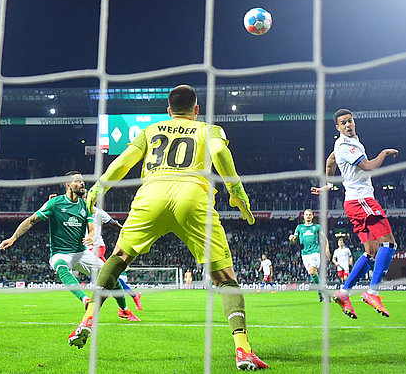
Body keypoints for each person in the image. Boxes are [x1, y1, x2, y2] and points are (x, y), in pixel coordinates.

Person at [68, 85, 268, 370]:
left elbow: (125, 161)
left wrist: (98, 187)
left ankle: (88, 318)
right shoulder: (208, 129)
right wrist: (236, 191)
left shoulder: (151, 130)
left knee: (119, 258)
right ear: (196, 110)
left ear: (168, 110)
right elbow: (220, 153)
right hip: (192, 196)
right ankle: (243, 348)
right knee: (225, 278)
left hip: (152, 195)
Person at [0, 171, 139, 322]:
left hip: (81, 252)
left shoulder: (85, 205)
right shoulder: (56, 203)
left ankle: (124, 310)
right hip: (60, 253)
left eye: (82, 181)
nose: (82, 183)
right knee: (61, 266)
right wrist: (13, 238)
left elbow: (91, 228)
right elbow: (32, 220)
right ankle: (85, 299)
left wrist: (91, 237)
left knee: (110, 274)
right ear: (68, 185)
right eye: (77, 181)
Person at [312, 108, 399, 319]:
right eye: (343, 123)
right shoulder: (346, 145)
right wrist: (384, 153)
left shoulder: (342, 145)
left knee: (371, 251)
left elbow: (330, 162)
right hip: (362, 200)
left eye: (350, 121)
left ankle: (344, 292)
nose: (348, 125)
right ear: (338, 127)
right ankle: (373, 292)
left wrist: (329, 186)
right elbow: (369, 167)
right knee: (389, 244)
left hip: (353, 202)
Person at [91, 205, 142, 313]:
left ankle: (122, 303)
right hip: (85, 247)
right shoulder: (76, 208)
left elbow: (112, 222)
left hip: (96, 246)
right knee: (108, 276)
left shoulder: (97, 211)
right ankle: (131, 296)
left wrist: (124, 231)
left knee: (108, 275)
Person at [288, 209, 331, 302]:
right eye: (306, 214)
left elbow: (324, 238)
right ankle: (322, 292)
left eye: (309, 215)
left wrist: (327, 248)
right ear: (303, 216)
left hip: (315, 252)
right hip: (305, 254)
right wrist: (291, 239)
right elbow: (294, 240)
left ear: (312, 216)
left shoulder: (317, 227)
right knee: (313, 275)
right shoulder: (299, 227)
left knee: (312, 272)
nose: (308, 216)